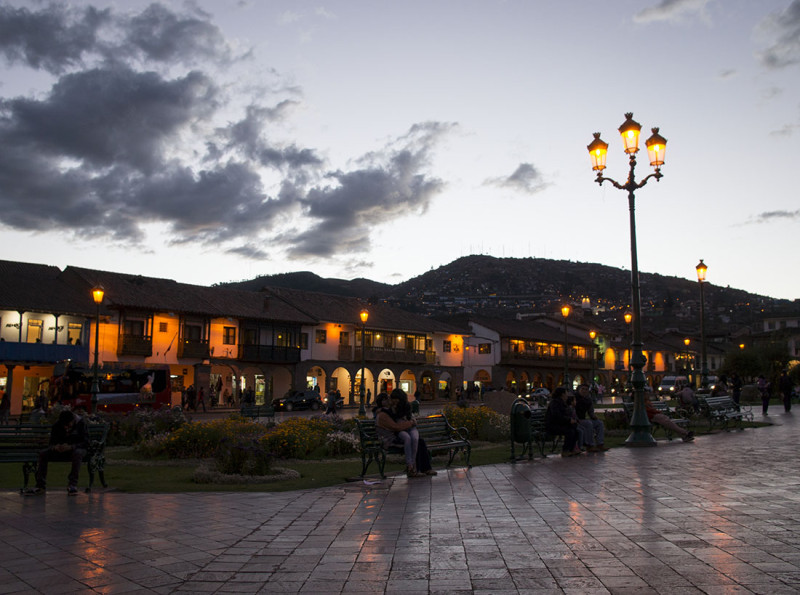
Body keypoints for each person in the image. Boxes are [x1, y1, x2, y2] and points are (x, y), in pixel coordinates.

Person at [28, 409, 90, 495]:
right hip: (61, 449)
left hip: (76, 448)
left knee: (78, 453)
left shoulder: (81, 424)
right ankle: (40, 486)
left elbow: (86, 442)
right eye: (64, 426)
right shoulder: (57, 425)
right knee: (43, 453)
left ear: (73, 421)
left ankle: (72, 484)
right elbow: (52, 442)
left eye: (68, 425)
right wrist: (55, 447)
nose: (66, 428)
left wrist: (71, 447)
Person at [375, 388, 436, 477]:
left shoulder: (392, 410)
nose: (390, 400)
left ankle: (424, 469)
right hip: (391, 439)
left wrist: (410, 421)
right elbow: (396, 427)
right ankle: (414, 468)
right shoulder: (384, 414)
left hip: (398, 435)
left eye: (389, 399)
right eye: (387, 399)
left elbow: (403, 421)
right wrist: (411, 423)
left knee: (420, 441)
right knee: (417, 442)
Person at [544, 387, 580, 457]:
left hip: (560, 424)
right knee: (570, 431)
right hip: (552, 425)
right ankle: (565, 450)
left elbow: (566, 414)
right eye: (566, 393)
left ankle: (571, 449)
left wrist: (572, 420)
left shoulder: (563, 403)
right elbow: (557, 416)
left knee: (575, 429)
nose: (567, 395)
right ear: (562, 394)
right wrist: (569, 420)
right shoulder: (555, 403)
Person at [574, 384, 609, 452]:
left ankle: (600, 444)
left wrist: (594, 416)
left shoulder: (588, 399)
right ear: (579, 390)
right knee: (588, 423)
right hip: (577, 420)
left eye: (586, 389)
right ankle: (590, 445)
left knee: (599, 423)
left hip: (583, 420)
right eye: (582, 389)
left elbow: (591, 412)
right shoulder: (575, 398)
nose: (584, 391)